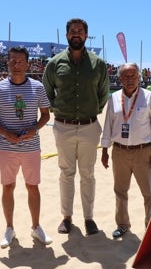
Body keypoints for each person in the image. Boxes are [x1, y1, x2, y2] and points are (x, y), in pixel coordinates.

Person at [42, 18, 109, 235]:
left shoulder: (98, 64)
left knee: (88, 174)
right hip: (63, 126)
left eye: (80, 31)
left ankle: (89, 218)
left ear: (86, 35)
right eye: (72, 31)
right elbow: (47, 92)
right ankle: (67, 217)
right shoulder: (54, 63)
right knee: (66, 173)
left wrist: (92, 110)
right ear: (67, 35)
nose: (76, 34)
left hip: (90, 126)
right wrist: (59, 110)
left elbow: (103, 94)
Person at [0, 46, 52, 248]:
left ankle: (36, 226)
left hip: (31, 146)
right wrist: (5, 132)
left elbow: (46, 115)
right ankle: (9, 228)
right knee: (8, 187)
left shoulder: (37, 87)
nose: (16, 65)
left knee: (33, 186)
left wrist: (35, 129)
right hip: (7, 147)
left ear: (28, 64)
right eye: (12, 61)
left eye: (20, 61)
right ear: (8, 63)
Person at [101, 62, 151, 239]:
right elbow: (108, 125)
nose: (129, 79)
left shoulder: (149, 97)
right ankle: (123, 224)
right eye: (126, 76)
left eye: (133, 75)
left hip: (144, 151)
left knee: (149, 193)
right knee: (120, 191)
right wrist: (104, 150)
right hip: (119, 152)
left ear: (139, 77)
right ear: (120, 78)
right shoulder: (114, 98)